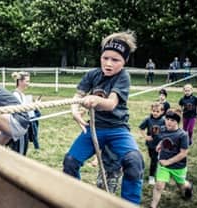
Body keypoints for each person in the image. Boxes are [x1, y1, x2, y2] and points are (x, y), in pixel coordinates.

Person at [62, 32, 145, 204]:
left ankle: (129, 204)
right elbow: (77, 97)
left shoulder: (123, 77)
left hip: (118, 130)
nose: (108, 63)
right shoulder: (92, 74)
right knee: (70, 162)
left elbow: (111, 103)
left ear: (125, 62)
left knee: (134, 161)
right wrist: (75, 111)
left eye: (115, 60)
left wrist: (96, 100)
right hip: (95, 129)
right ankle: (73, 200)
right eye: (105, 57)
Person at [150, 109, 193, 208]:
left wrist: (168, 162)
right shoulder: (163, 128)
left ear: (177, 121)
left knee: (181, 186)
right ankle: (153, 206)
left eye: (172, 120)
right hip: (163, 164)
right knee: (159, 186)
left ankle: (188, 186)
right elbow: (164, 138)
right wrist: (160, 144)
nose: (169, 122)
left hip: (178, 166)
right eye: (167, 119)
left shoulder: (183, 135)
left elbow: (183, 153)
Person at [11, 71, 42, 152]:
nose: (29, 83)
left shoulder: (22, 95)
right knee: (19, 153)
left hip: (24, 128)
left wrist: (34, 105)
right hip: (19, 129)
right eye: (27, 81)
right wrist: (34, 105)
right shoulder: (16, 95)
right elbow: (20, 111)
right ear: (20, 81)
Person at [139, 103, 166, 185]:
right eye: (153, 111)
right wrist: (146, 137)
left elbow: (168, 130)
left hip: (160, 144)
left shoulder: (164, 120)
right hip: (151, 144)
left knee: (154, 160)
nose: (155, 113)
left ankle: (152, 176)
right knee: (152, 158)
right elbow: (141, 128)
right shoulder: (148, 119)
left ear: (162, 112)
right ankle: (155, 167)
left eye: (157, 111)